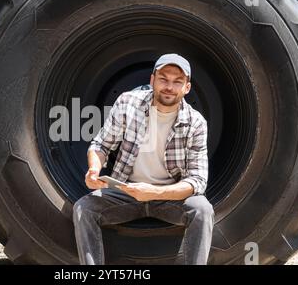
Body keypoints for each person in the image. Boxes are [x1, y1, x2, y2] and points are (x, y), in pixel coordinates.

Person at [73, 53, 214, 265]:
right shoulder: (127, 103)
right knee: (84, 208)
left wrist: (154, 192)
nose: (169, 87)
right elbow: (101, 145)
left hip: (169, 197)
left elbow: (197, 180)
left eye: (177, 82)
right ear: (152, 80)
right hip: (125, 192)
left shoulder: (196, 123)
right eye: (163, 79)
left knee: (202, 210)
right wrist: (94, 169)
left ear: (187, 87)